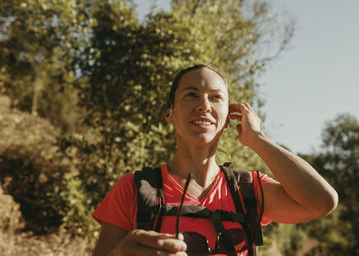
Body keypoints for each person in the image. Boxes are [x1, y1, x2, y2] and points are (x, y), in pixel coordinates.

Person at [92, 65, 338, 256]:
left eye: (216, 97)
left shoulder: (248, 189)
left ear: (229, 116)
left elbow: (322, 201)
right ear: (169, 112)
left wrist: (257, 138)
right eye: (191, 95)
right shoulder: (133, 189)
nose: (204, 105)